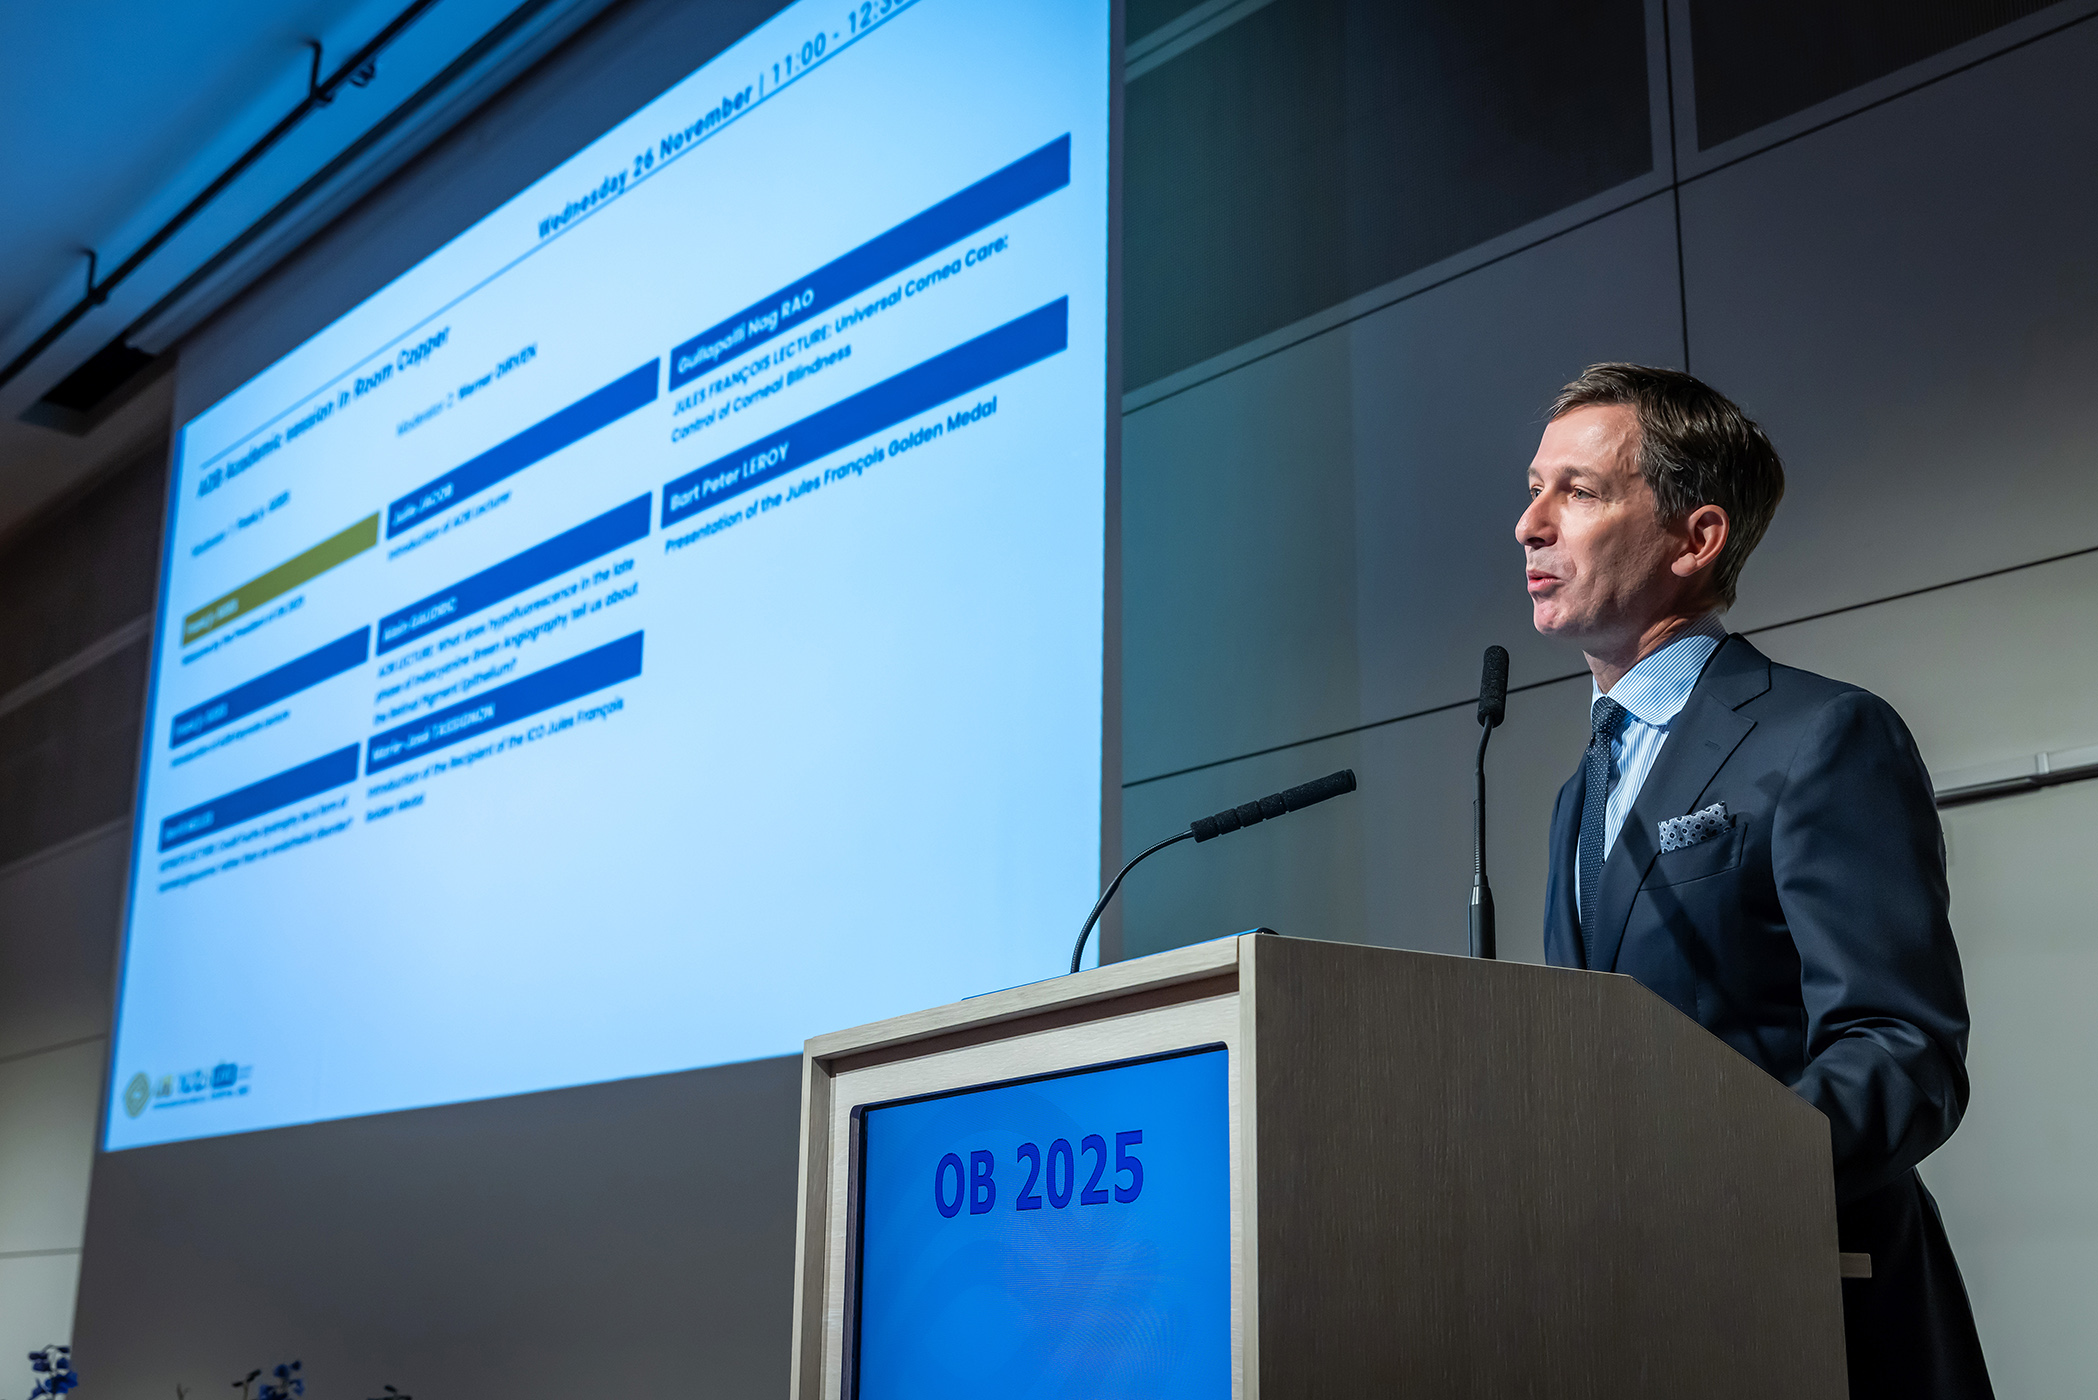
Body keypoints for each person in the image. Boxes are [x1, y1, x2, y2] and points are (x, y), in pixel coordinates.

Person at [1516, 363, 1993, 1399]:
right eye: (1534, 488)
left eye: (1578, 491)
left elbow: (1900, 1048)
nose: (1529, 524)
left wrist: (1711, 1181)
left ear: (1695, 539)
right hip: (1639, 1319)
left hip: (1818, 1308)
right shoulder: (1575, 794)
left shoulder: (1821, 734)